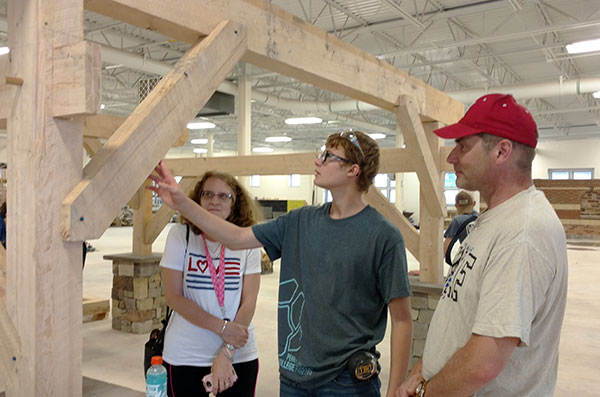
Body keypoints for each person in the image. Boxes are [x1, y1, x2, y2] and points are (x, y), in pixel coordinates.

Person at [150, 130, 413, 397]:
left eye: (328, 156)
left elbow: (402, 320)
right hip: (293, 378)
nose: (317, 160)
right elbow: (237, 237)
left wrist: (394, 391)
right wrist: (182, 203)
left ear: (352, 170)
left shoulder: (383, 236)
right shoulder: (300, 221)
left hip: (346, 382)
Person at [397, 93, 568, 396]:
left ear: (502, 151)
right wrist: (422, 369)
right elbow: (459, 313)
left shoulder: (522, 233)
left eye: (463, 146)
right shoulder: (495, 219)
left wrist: (426, 391)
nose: (451, 157)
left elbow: (484, 362)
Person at [159, 171, 261, 396]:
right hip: (187, 354)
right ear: (198, 200)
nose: (215, 200)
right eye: (208, 194)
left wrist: (228, 351)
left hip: (239, 353)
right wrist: (223, 328)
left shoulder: (248, 241)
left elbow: (250, 300)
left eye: (224, 196)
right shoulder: (180, 235)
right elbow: (174, 297)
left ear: (236, 204)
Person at [443, 190, 478, 264]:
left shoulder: (457, 221)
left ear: (455, 205)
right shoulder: (480, 217)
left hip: (468, 260)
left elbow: (446, 248)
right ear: (474, 203)